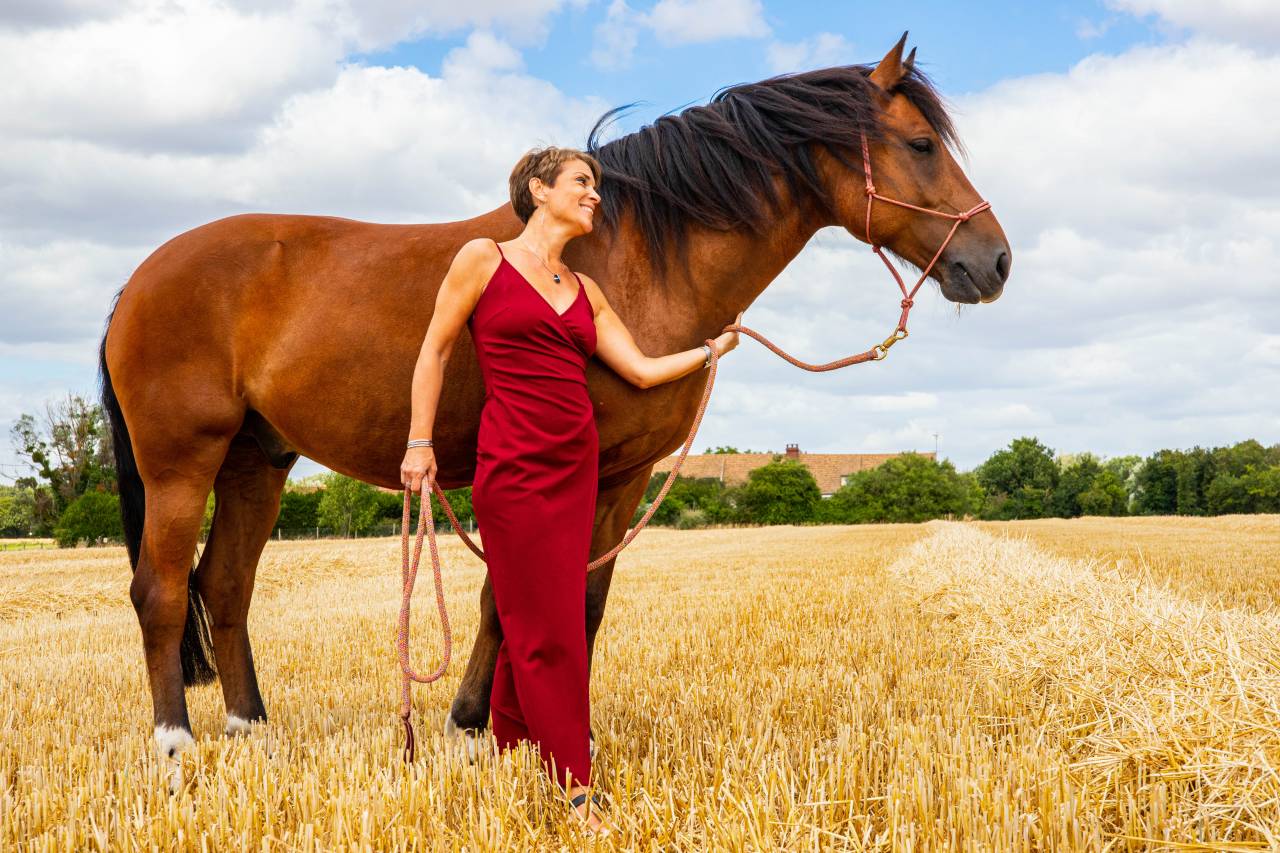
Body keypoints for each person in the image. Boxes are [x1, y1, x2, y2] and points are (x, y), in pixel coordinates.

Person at [400, 146, 741, 836]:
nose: (594, 195)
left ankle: (509, 745)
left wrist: (713, 350)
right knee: (547, 625)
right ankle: (575, 786)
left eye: (596, 186)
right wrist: (419, 441)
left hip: (573, 465)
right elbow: (434, 350)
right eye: (583, 183)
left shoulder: (587, 292)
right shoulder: (482, 259)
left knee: (539, 613)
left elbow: (642, 371)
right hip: (514, 467)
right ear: (539, 188)